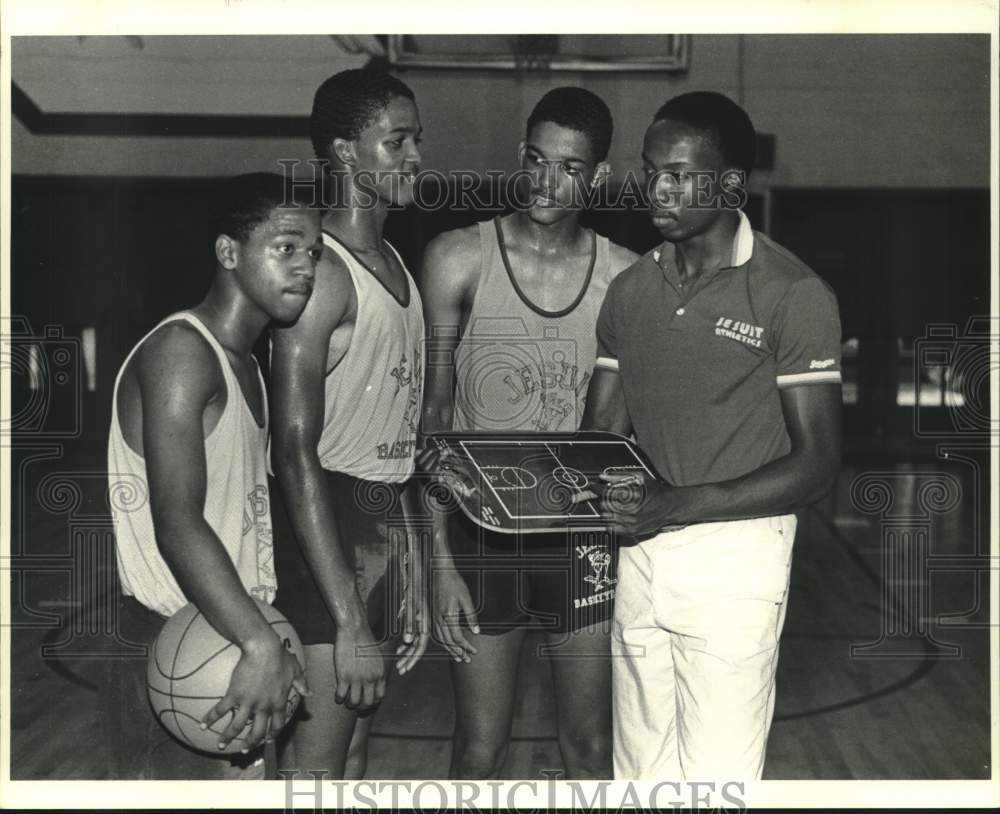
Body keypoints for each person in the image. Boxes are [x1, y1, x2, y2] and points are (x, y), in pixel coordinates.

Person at [580, 91, 843, 780]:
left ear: (730, 185)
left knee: (717, 783)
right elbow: (599, 435)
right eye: (649, 169)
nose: (655, 188)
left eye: (678, 173)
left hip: (738, 554)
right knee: (639, 776)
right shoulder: (629, 290)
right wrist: (503, 484)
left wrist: (676, 504)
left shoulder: (793, 292)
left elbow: (817, 466)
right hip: (639, 549)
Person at [421, 87, 638, 779]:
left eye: (568, 167)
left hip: (581, 541)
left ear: (597, 177)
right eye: (536, 159)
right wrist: (438, 562)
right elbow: (432, 424)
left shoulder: (626, 279)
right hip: (480, 535)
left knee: (589, 751)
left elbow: (629, 430)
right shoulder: (459, 257)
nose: (547, 180)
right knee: (480, 749)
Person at [105, 172, 319, 779]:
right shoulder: (181, 352)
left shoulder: (247, 362)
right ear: (229, 253)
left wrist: (259, 639)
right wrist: (256, 641)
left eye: (313, 253)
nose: (305, 266)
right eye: (286, 247)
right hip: (177, 640)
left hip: (236, 629)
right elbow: (176, 522)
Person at [268, 68, 428, 781]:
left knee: (355, 753)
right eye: (396, 142)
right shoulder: (324, 273)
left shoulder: (395, 260)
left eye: (417, 139)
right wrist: (349, 617)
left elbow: (403, 445)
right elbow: (294, 453)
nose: (416, 156)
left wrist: (412, 565)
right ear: (344, 152)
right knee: (317, 763)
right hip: (328, 525)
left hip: (381, 522)